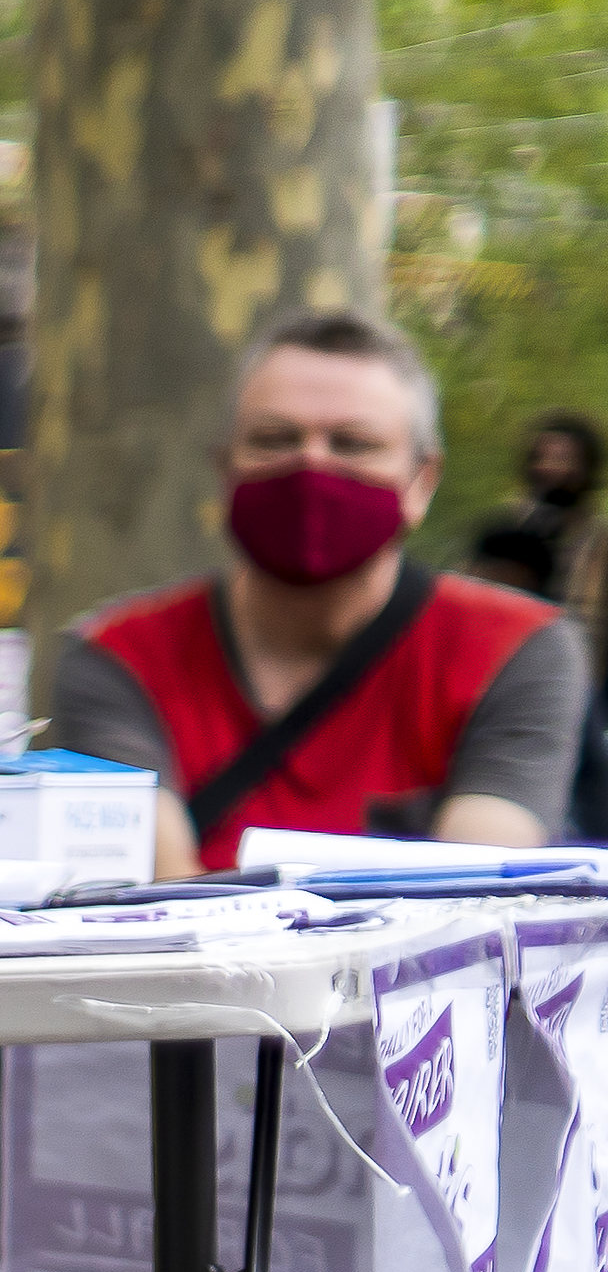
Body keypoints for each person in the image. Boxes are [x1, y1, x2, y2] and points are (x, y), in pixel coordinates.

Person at [56, 312, 585, 875]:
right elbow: (158, 906)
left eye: (352, 443)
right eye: (274, 440)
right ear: (223, 470)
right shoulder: (119, 659)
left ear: (421, 481)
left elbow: (470, 896)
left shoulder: (517, 649)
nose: (310, 464)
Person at [465, 405, 598, 598]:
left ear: (585, 468)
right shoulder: (503, 530)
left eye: (562, 459)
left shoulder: (598, 541)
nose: (549, 468)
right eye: (541, 458)